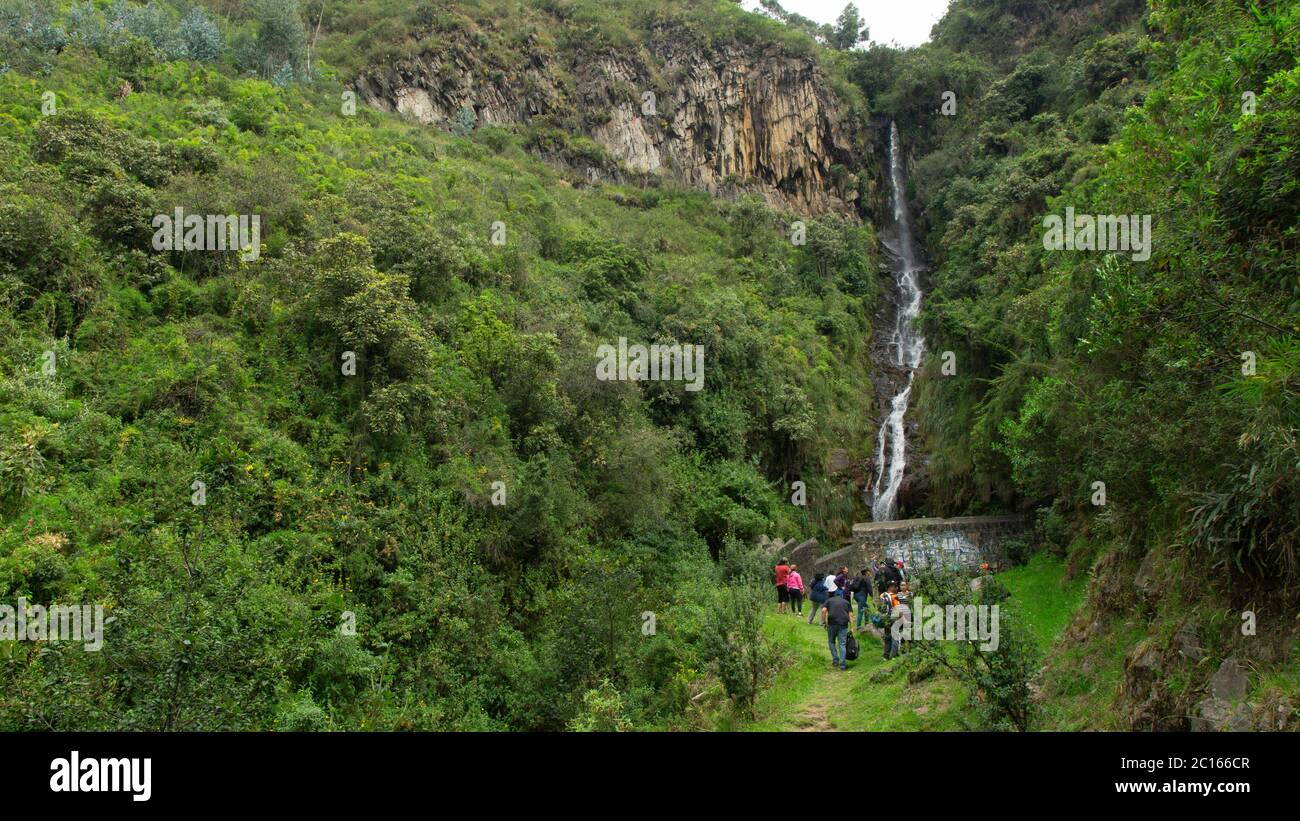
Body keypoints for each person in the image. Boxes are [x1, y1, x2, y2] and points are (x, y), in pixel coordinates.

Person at [822, 591, 853, 671]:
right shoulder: (846, 602)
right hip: (843, 624)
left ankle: (835, 660)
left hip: (832, 624)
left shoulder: (829, 601)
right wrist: (851, 627)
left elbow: (823, 611)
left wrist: (824, 622)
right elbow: (850, 615)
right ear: (842, 596)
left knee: (831, 641)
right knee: (842, 644)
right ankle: (842, 665)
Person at [879, 582, 901, 660]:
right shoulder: (894, 596)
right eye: (894, 586)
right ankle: (894, 655)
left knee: (887, 637)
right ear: (890, 587)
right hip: (893, 618)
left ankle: (886, 655)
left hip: (885, 618)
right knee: (895, 637)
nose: (896, 588)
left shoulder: (882, 595)